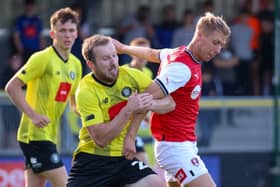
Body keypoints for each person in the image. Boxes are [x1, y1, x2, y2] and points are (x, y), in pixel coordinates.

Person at [114, 12, 231, 187]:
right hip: (176, 147)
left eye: (221, 45)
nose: (218, 50)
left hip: (181, 144)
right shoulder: (181, 68)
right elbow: (144, 97)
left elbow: (152, 53)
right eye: (215, 42)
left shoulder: (178, 53)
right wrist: (130, 137)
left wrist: (123, 48)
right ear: (199, 36)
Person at [67, 34, 175, 187]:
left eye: (114, 56)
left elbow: (170, 102)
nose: (113, 63)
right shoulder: (85, 90)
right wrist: (127, 109)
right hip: (93, 160)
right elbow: (101, 140)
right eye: (105, 59)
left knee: (156, 184)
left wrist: (149, 103)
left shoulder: (131, 75)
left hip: (123, 157)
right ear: (91, 64)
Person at [5, 7, 82, 187]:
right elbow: (12, 87)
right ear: (53, 33)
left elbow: (74, 104)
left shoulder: (76, 65)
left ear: (77, 33)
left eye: (71, 30)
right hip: (34, 136)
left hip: (50, 136)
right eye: (62, 30)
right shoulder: (42, 58)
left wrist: (93, 119)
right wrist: (33, 115)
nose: (67, 35)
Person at [123, 37, 153, 164]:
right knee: (142, 161)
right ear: (131, 53)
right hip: (123, 124)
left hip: (140, 122)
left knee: (145, 162)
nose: (142, 56)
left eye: (145, 52)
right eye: (138, 52)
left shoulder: (148, 72)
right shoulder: (123, 72)